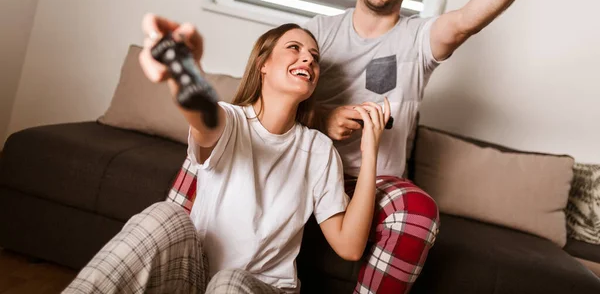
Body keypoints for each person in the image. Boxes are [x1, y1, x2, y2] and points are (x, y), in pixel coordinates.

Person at [168, 0, 598, 294]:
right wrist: (323, 117)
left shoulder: (418, 39)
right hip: (303, 167)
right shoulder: (316, 34)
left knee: (416, 213)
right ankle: (170, 264)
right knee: (211, 150)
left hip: (370, 181)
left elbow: (468, 18)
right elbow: (272, 107)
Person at [63, 21, 391, 293]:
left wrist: (370, 151)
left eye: (314, 57)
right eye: (294, 48)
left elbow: (349, 246)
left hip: (262, 288)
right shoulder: (231, 121)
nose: (308, 59)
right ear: (264, 64)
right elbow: (202, 112)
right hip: (193, 277)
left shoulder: (319, 152)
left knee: (230, 283)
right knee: (165, 216)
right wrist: (182, 68)